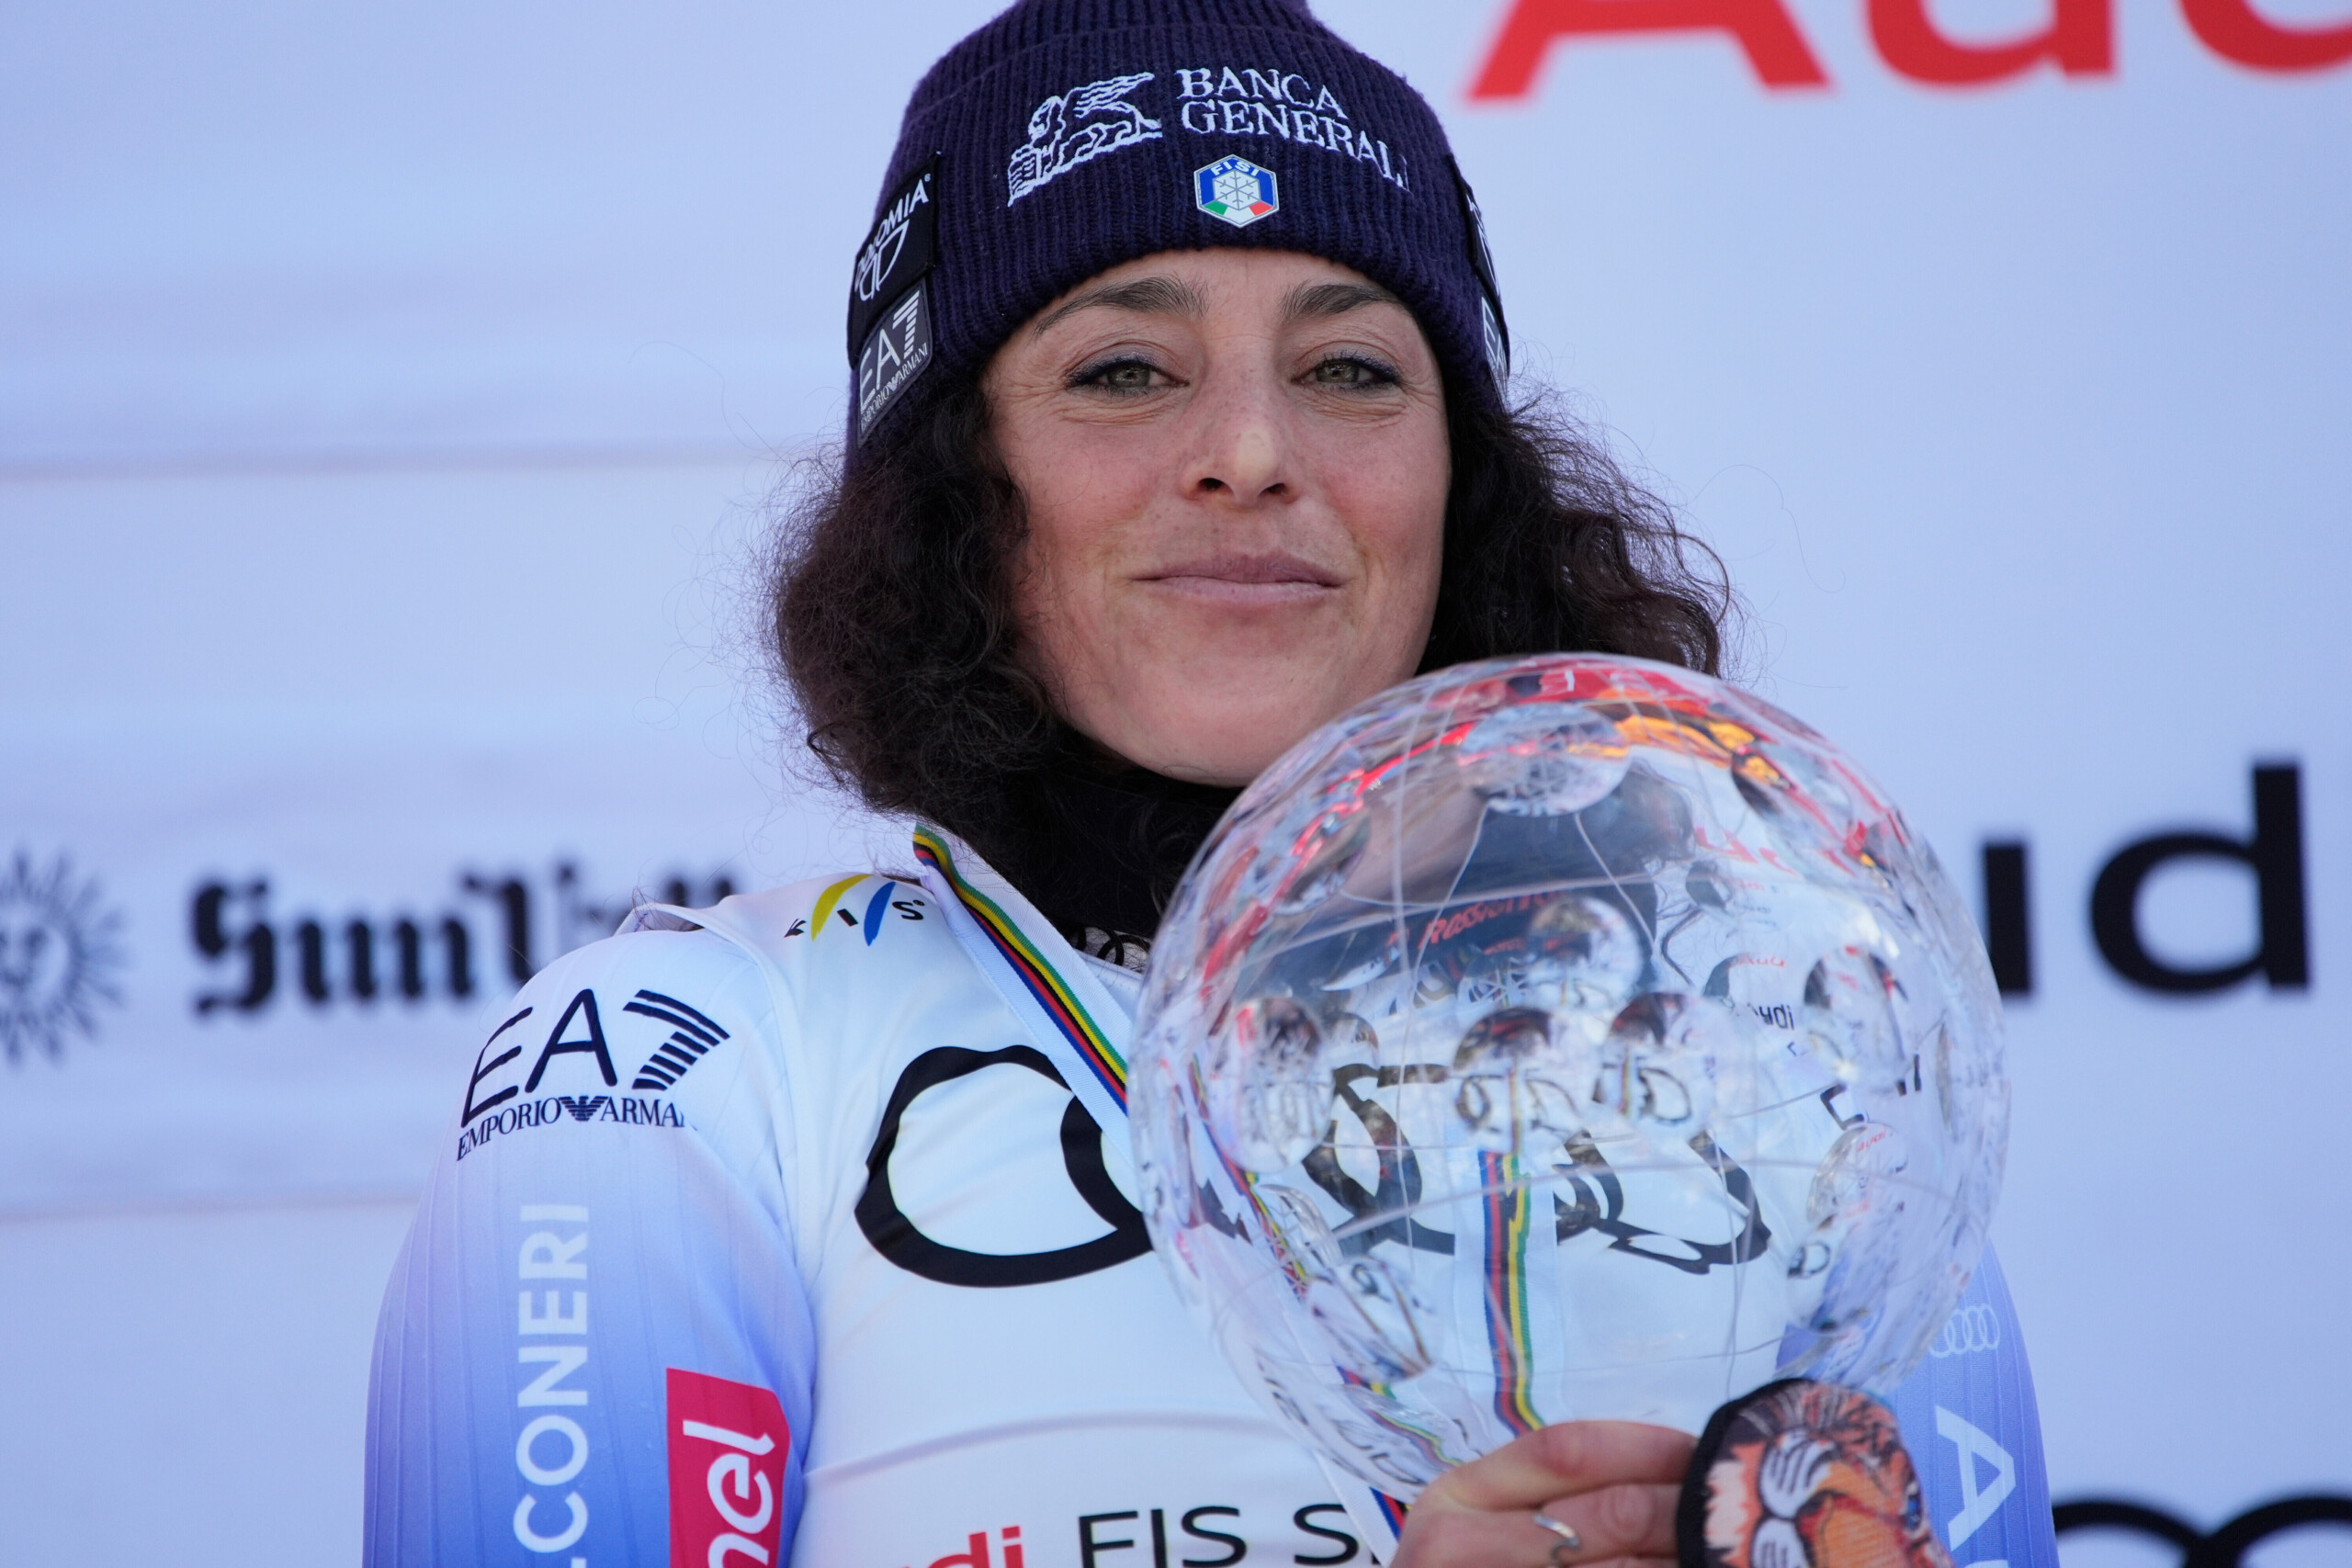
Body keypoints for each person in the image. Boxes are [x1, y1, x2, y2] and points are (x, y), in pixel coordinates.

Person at [365, 3, 2057, 1565]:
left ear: (1466, 479)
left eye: (1351, 369)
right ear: (955, 489)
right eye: (1124, 368)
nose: (1252, 449)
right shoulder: (689, 1070)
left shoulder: (1795, 1066)